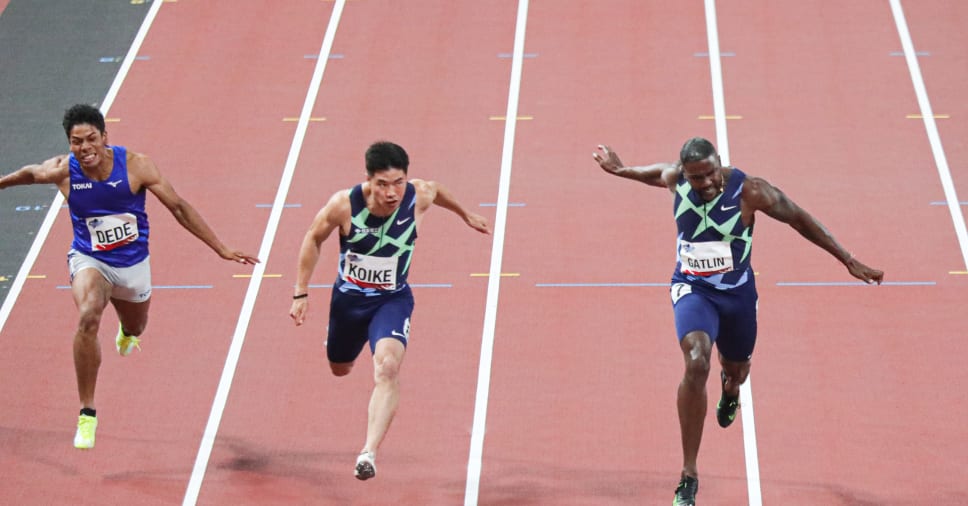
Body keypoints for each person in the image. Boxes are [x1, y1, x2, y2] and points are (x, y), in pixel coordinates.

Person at [593, 137, 883, 506]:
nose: (708, 183)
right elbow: (654, 174)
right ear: (686, 175)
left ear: (719, 164)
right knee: (696, 359)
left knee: (737, 370)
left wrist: (847, 258)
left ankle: (730, 391)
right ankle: (688, 474)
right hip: (692, 289)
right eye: (698, 178)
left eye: (712, 173)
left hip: (737, 297)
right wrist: (621, 169)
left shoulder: (750, 191)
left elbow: (799, 218)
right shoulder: (676, 180)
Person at [0, 104, 260, 450]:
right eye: (76, 142)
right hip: (90, 259)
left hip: (133, 266)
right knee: (89, 314)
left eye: (91, 139)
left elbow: (178, 207)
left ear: (105, 137)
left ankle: (127, 332)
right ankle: (87, 413)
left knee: (136, 326)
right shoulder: (64, 170)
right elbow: (30, 174)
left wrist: (221, 248)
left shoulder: (136, 165)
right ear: (69, 144)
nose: (85, 148)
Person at [289, 141, 490, 480]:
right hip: (348, 302)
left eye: (398, 182)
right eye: (383, 184)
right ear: (368, 181)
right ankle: (339, 343)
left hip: (392, 300)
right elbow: (313, 238)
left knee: (387, 367)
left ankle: (368, 453)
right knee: (340, 368)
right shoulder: (344, 205)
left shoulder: (418, 196)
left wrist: (466, 214)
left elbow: (437, 190)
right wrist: (300, 293)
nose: (392, 192)